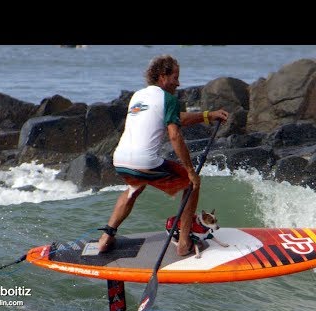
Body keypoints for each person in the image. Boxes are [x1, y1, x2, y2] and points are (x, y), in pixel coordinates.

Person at [97, 54, 229, 256]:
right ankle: (184, 242)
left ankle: (107, 236)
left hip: (120, 158)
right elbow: (174, 134)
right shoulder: (168, 99)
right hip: (145, 160)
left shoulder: (138, 96)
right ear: (162, 76)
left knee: (134, 187)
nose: (178, 83)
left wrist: (206, 116)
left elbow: (173, 118)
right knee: (192, 183)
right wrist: (190, 170)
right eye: (175, 77)